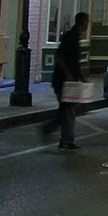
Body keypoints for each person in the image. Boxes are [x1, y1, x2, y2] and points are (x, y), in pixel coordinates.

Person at [42, 11, 89, 150]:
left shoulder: (75, 37)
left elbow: (75, 62)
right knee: (68, 110)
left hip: (68, 80)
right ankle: (66, 140)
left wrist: (81, 78)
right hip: (62, 81)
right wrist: (69, 74)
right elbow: (60, 57)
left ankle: (53, 131)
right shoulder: (70, 37)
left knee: (66, 109)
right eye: (86, 22)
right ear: (83, 23)